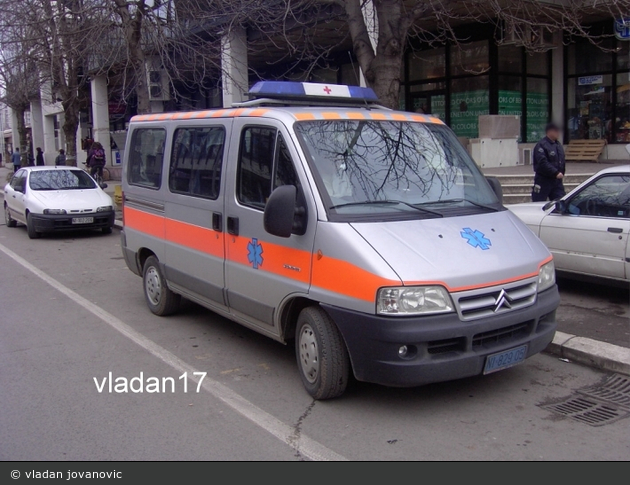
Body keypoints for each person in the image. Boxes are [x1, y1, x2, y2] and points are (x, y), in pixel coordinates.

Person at [532, 122, 566, 202]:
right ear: (549, 131)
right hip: (543, 180)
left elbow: (561, 161)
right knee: (539, 202)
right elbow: (542, 163)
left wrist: (561, 172)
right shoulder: (541, 145)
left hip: (556, 182)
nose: (558, 133)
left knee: (560, 202)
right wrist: (555, 172)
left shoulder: (558, 145)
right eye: (556, 131)